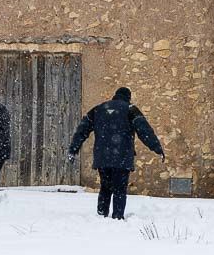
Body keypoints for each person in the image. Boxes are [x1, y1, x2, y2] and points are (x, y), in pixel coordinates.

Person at [67, 87, 164, 220]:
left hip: (102, 157)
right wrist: (157, 148)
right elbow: (144, 131)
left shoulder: (98, 109)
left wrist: (73, 148)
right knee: (119, 188)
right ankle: (117, 217)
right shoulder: (130, 109)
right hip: (122, 157)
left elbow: (82, 130)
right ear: (128, 97)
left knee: (105, 186)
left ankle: (102, 215)